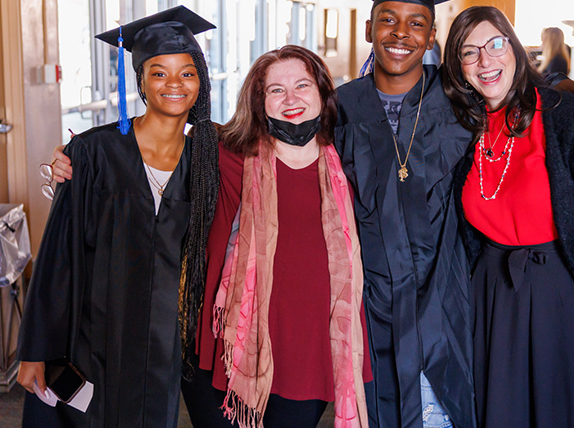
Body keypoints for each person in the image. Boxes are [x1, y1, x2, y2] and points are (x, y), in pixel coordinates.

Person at [338, 0, 574, 428]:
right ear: (368, 30)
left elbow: (520, 85)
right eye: (387, 19)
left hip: (450, 299)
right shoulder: (340, 107)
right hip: (375, 303)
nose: (400, 33)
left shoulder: (451, 100)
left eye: (417, 23)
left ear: (430, 37)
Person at [50, 45, 371, 428]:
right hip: (220, 346)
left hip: (308, 348)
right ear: (258, 100)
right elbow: (146, 156)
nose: (291, 99)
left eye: (302, 85)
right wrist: (77, 162)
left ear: (322, 92)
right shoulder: (222, 154)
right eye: (275, 90)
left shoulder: (349, 162)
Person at [17, 6, 220, 427]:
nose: (174, 84)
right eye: (159, 72)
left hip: (162, 345)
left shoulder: (208, 161)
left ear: (201, 81)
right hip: (93, 338)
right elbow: (58, 257)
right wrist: (35, 349)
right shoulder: (93, 153)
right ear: (141, 81)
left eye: (187, 72)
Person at [443, 5, 574, 427]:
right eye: (469, 52)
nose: (485, 60)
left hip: (562, 291)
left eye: (495, 44)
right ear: (459, 68)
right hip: (492, 299)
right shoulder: (461, 126)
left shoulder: (566, 115)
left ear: (514, 47)